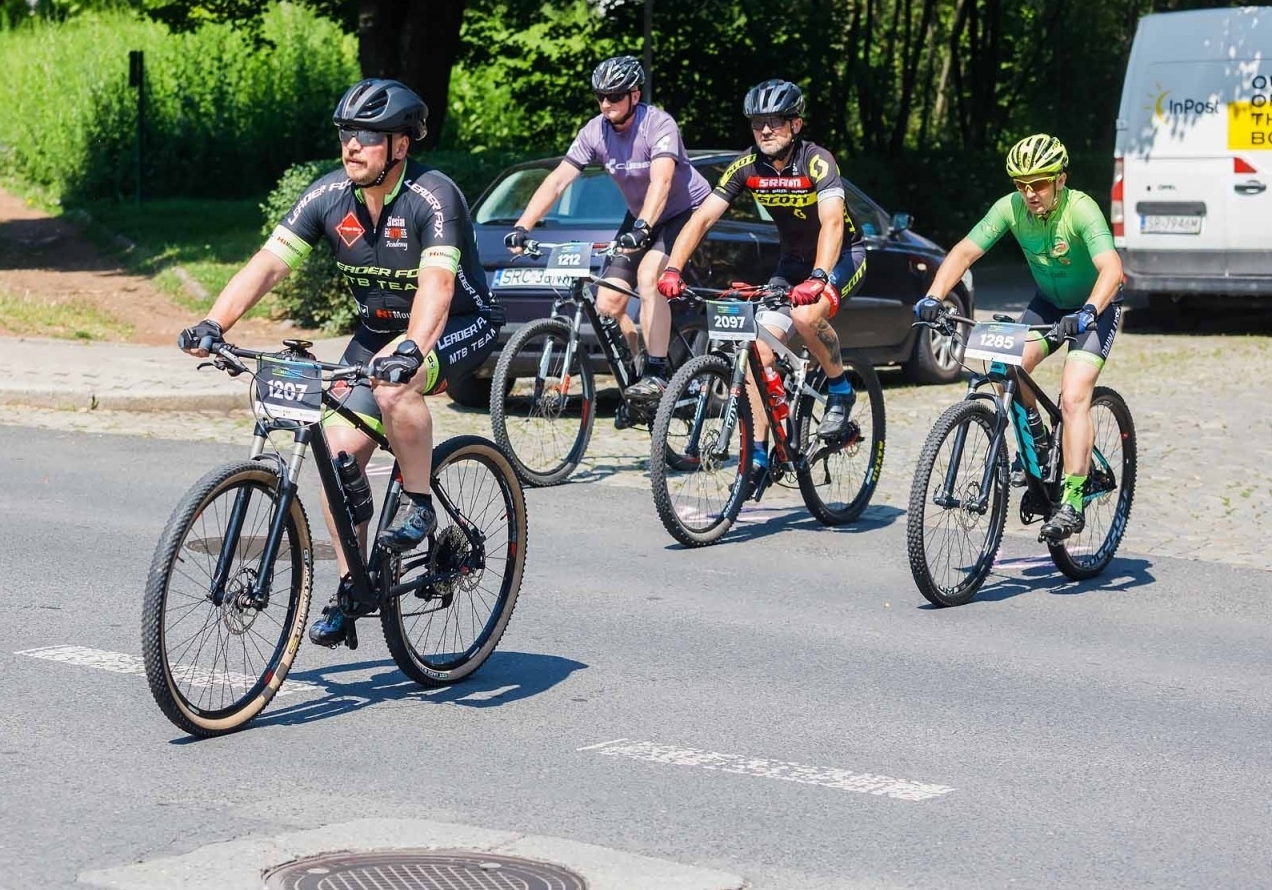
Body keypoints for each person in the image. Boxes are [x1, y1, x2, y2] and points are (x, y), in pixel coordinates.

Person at [179, 78, 502, 647]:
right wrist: (215, 323)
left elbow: (438, 286)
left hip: (454, 324)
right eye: (347, 134)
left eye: (369, 137)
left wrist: (411, 350)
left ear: (400, 146)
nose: (352, 146)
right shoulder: (328, 196)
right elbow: (268, 264)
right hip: (372, 337)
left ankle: (421, 504)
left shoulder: (432, 195)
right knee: (334, 459)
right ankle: (356, 587)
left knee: (395, 389)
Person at [914, 133, 1125, 541]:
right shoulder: (1009, 208)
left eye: (1039, 183)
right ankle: (1039, 444)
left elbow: (1111, 268)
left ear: (1060, 180)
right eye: (1021, 184)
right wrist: (933, 297)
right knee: (1003, 368)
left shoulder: (1081, 210)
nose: (1029, 193)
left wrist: (1088, 311)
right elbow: (963, 253)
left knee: (1074, 394)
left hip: (1094, 309)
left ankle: (1074, 500)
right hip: (1047, 304)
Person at [656, 79, 865, 482]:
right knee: (757, 352)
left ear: (796, 124)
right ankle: (758, 454)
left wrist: (820, 277)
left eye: (774, 122)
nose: (765, 131)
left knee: (806, 318)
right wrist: (672, 268)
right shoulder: (747, 167)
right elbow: (701, 218)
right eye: (757, 124)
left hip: (841, 256)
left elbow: (834, 221)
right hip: (791, 264)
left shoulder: (817, 161)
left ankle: (840, 389)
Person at [501, 55, 711, 410]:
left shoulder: (658, 124)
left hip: (683, 211)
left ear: (634, 94)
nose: (606, 104)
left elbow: (661, 183)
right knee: (608, 303)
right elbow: (557, 182)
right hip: (640, 215)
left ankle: (658, 373)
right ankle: (635, 371)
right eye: (600, 96)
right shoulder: (594, 131)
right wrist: (523, 225)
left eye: (614, 96)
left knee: (649, 276)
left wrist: (644, 228)